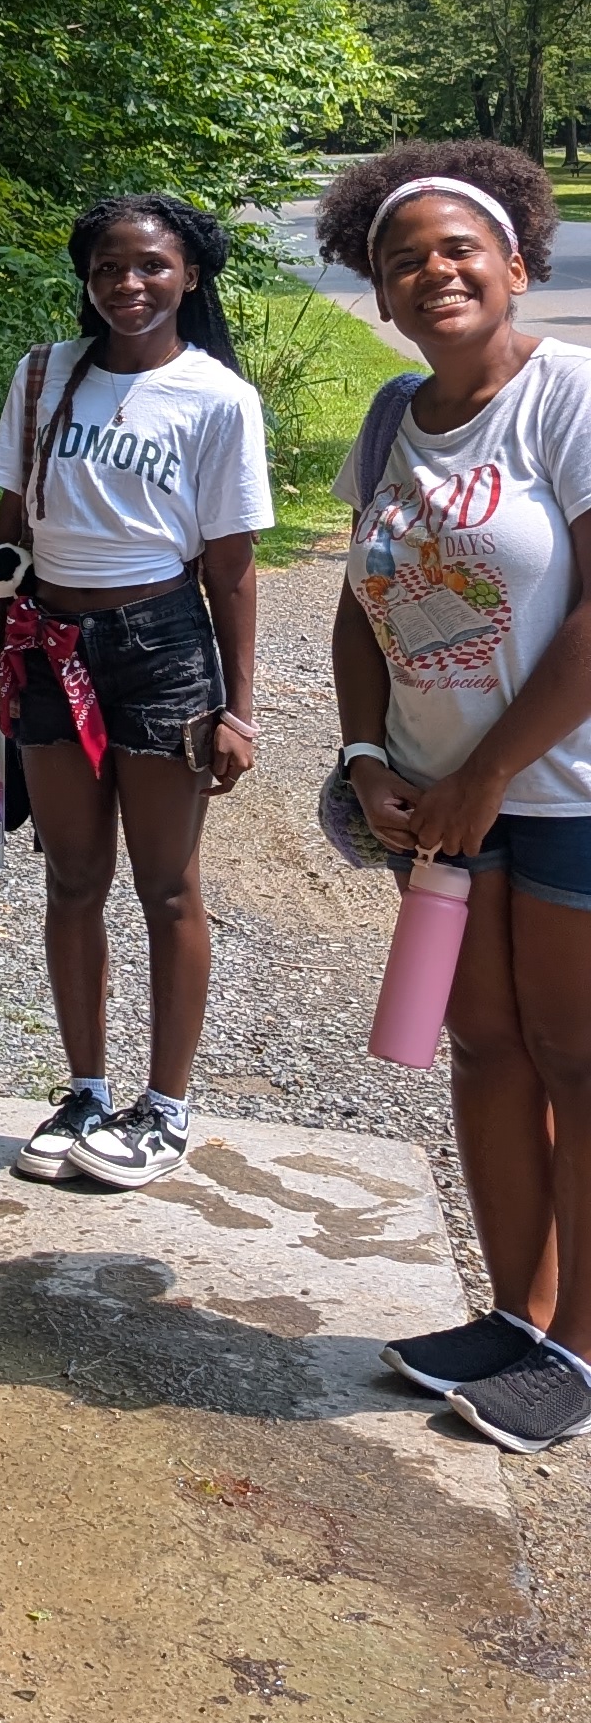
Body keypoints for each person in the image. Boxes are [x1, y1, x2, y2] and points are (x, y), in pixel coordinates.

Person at [318, 142, 591, 1452]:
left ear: (515, 268)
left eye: (457, 249)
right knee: (481, 1050)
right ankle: (516, 1317)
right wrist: (370, 758)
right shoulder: (389, 421)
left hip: (564, 793)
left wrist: (490, 774)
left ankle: (583, 1349)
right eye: (402, 259)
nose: (432, 271)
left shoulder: (567, 399)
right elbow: (361, 610)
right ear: (378, 295)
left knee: (579, 1061)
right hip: (436, 805)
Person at [0, 196, 267, 1192]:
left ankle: (165, 1108)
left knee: (167, 885)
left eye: (150, 268)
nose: (128, 285)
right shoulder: (43, 377)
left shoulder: (216, 398)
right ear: (85, 281)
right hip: (46, 640)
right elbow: (11, 528)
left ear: (189, 277)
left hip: (162, 647)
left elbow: (233, 568)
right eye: (107, 270)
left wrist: (237, 705)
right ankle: (86, 1088)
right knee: (72, 878)